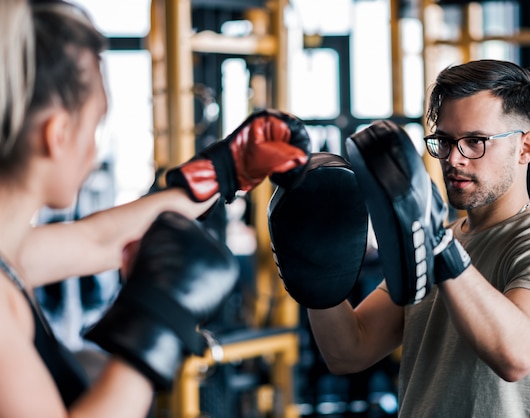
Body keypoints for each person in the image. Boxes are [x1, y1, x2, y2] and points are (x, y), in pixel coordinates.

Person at [0, 0, 309, 416]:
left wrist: (223, 171)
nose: (93, 152)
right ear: (57, 134)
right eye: (95, 127)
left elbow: (99, 241)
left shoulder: (11, 252)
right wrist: (154, 327)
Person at [277, 59, 530, 417]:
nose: (453, 159)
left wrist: (437, 246)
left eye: (475, 141)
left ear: (525, 148)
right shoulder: (435, 238)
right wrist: (316, 274)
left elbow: (516, 355)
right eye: (443, 141)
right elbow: (349, 350)